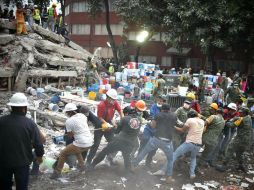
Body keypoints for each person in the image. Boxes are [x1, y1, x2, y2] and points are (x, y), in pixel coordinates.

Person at [0, 93, 44, 190]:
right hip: (22, 163)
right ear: (24, 108)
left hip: (4, 162)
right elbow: (38, 144)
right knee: (22, 187)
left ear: (11, 107)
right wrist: (39, 156)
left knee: (4, 186)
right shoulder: (30, 123)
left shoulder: (1, 121)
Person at [89, 100, 146, 173]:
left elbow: (116, 131)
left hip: (119, 141)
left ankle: (92, 165)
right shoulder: (140, 121)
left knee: (104, 151)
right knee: (127, 157)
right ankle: (128, 173)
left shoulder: (125, 119)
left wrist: (112, 127)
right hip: (130, 143)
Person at [133, 104, 177, 183]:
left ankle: (133, 166)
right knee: (170, 159)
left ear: (162, 109)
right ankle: (169, 177)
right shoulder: (174, 116)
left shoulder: (158, 115)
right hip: (167, 142)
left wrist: (150, 123)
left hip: (156, 139)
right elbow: (175, 125)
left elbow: (153, 126)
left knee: (144, 152)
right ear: (169, 109)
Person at [154, 110, 205, 179]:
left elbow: (182, 130)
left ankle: (162, 170)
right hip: (198, 144)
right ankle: (192, 174)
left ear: (189, 116)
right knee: (193, 158)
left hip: (189, 143)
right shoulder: (202, 121)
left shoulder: (190, 120)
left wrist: (173, 126)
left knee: (174, 155)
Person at [51, 103, 93, 179]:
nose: (67, 114)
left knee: (63, 153)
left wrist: (72, 133)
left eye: (67, 112)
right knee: (76, 150)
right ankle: (83, 167)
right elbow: (81, 127)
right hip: (90, 141)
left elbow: (70, 136)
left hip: (81, 142)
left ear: (70, 112)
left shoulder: (69, 121)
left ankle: (57, 172)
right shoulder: (83, 116)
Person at [86, 89, 124, 166]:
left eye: (114, 99)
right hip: (100, 124)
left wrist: (123, 119)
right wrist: (106, 123)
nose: (113, 101)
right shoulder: (101, 105)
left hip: (109, 123)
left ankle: (110, 158)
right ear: (108, 97)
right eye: (112, 99)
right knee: (96, 144)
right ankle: (88, 161)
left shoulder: (114, 103)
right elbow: (99, 117)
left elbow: (120, 110)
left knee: (113, 142)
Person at [218, 107, 252, 172]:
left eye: (241, 112)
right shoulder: (249, 118)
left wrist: (227, 121)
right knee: (239, 153)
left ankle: (224, 165)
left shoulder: (241, 119)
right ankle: (241, 166)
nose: (239, 113)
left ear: (244, 113)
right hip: (247, 140)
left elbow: (231, 125)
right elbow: (241, 119)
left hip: (240, 139)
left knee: (230, 149)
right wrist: (236, 118)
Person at [137, 96, 165, 167]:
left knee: (154, 147)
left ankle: (148, 162)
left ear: (164, 102)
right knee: (144, 141)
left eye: (161, 101)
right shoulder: (153, 106)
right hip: (149, 128)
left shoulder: (165, 109)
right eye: (159, 100)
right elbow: (152, 116)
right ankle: (137, 159)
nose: (159, 102)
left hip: (158, 130)